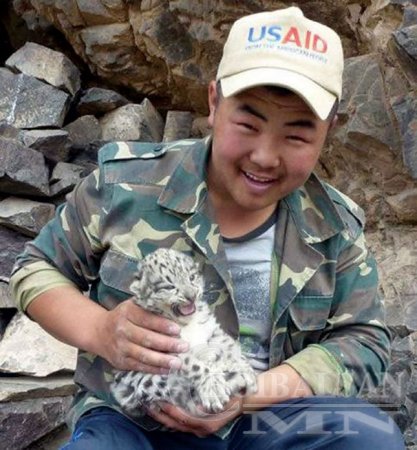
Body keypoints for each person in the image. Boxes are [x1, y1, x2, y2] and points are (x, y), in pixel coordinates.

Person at [10, 6, 404, 450]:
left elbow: (365, 340)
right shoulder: (124, 186)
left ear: (328, 131)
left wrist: (253, 394)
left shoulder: (336, 228)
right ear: (214, 103)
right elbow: (36, 267)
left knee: (370, 439)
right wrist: (101, 331)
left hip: (262, 423)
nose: (265, 156)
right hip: (131, 422)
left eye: (296, 135)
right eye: (248, 123)